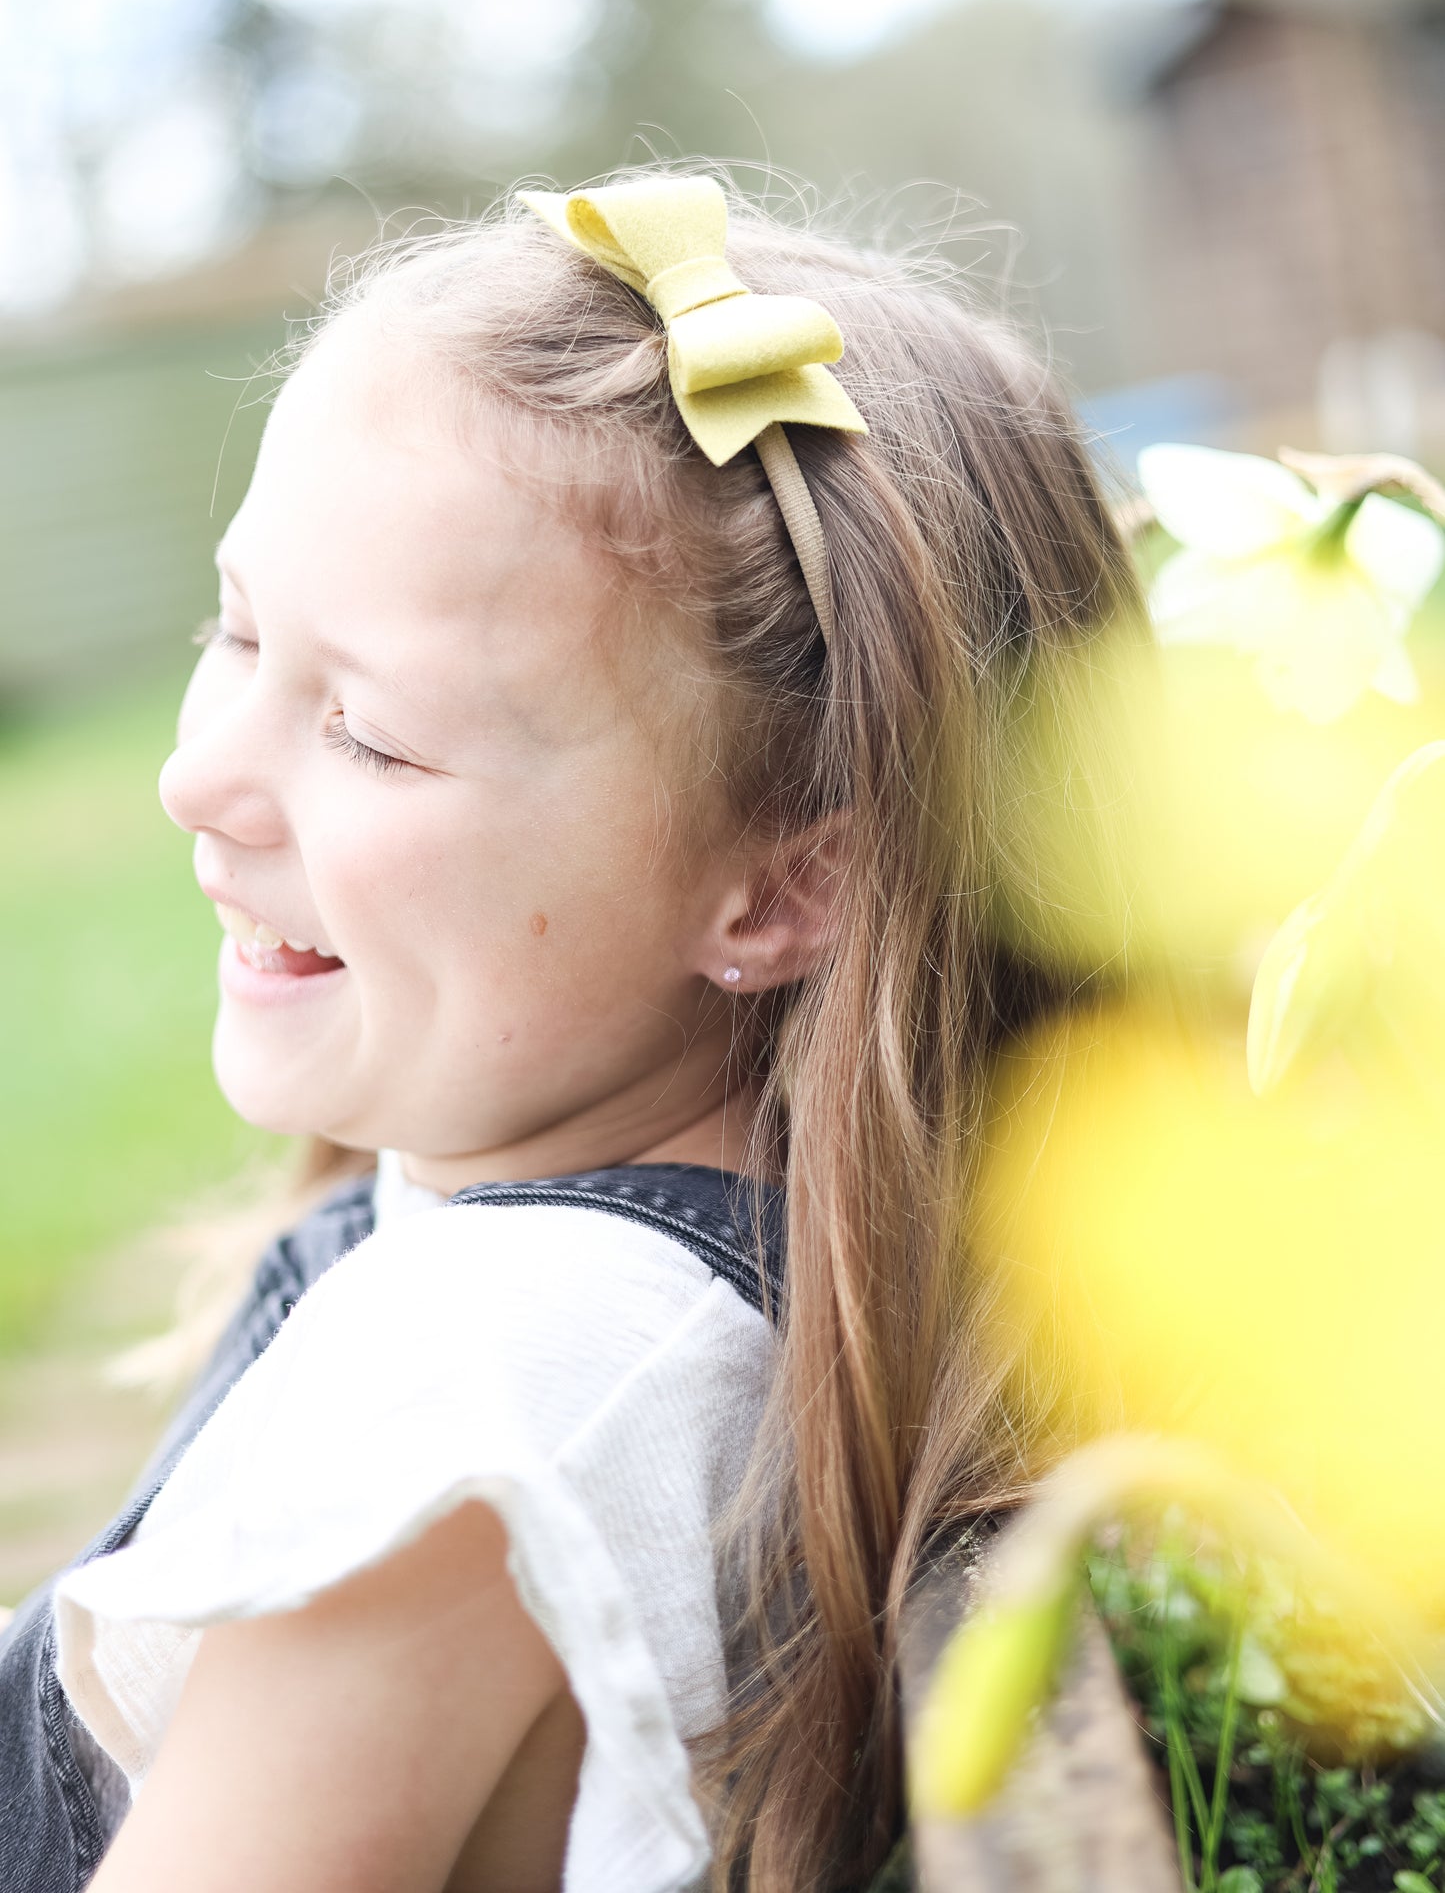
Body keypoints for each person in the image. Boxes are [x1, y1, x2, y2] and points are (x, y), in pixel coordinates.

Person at [0, 169, 1139, 1893]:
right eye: (234, 629)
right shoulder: (683, 1300)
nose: (195, 774)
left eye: (369, 735)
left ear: (783, 883)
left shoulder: (474, 1404)